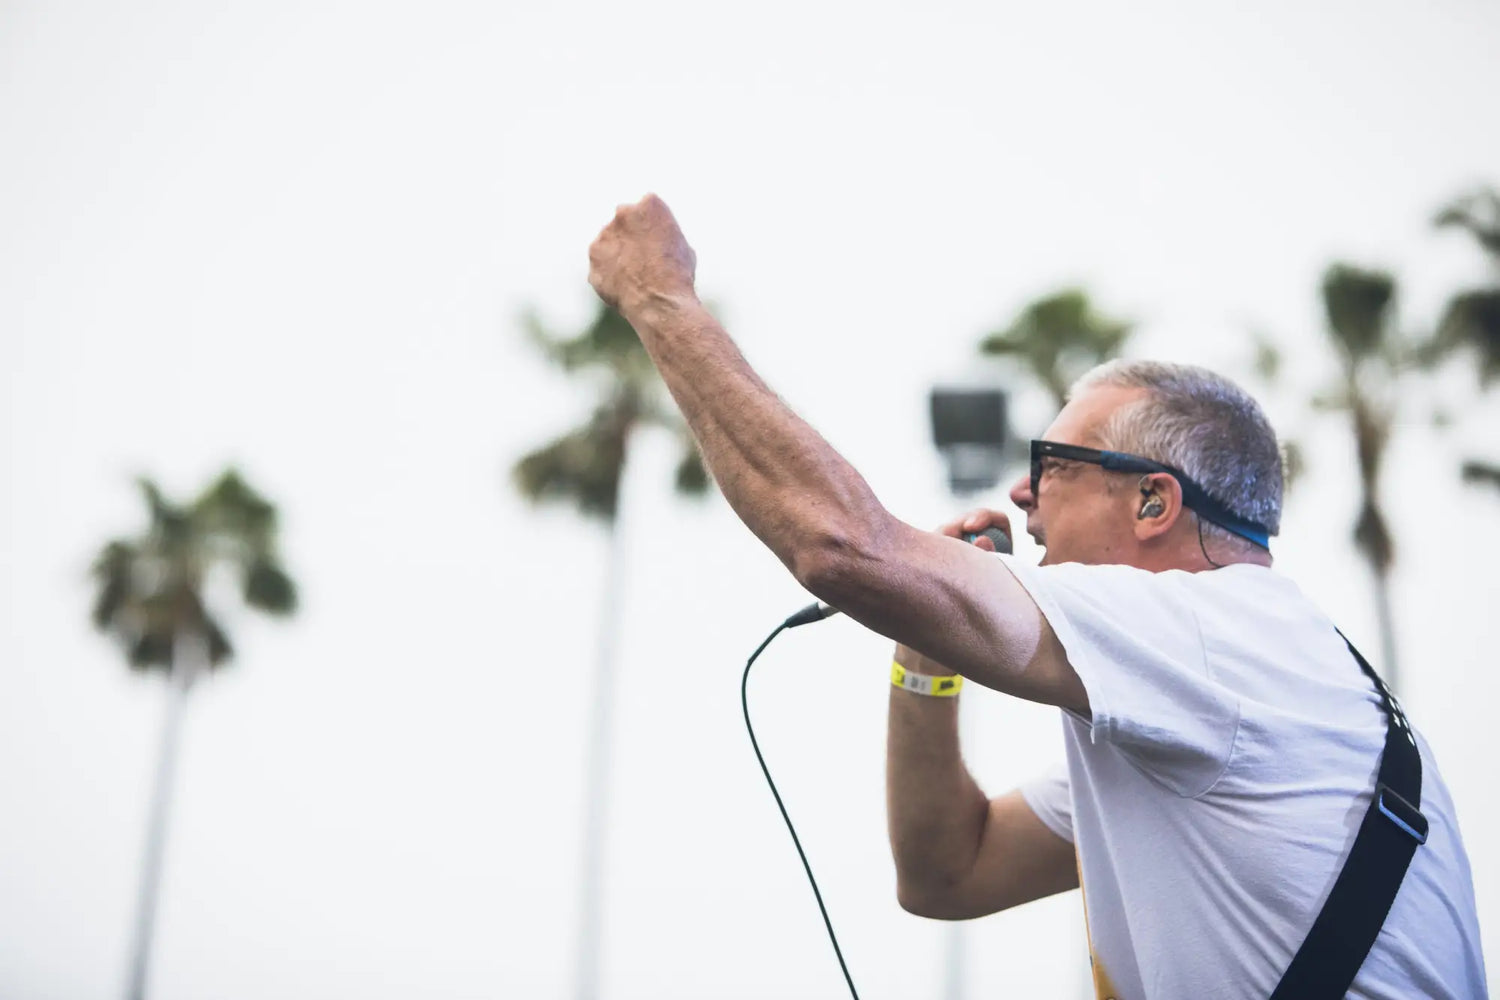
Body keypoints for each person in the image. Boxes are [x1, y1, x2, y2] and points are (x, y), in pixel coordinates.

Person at [586, 194, 1487, 999]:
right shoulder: (1219, 686)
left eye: (1049, 466)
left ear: (1151, 500)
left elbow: (840, 543)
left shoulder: (1214, 631)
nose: (1022, 495)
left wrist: (661, 300)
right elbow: (948, 871)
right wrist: (926, 663)